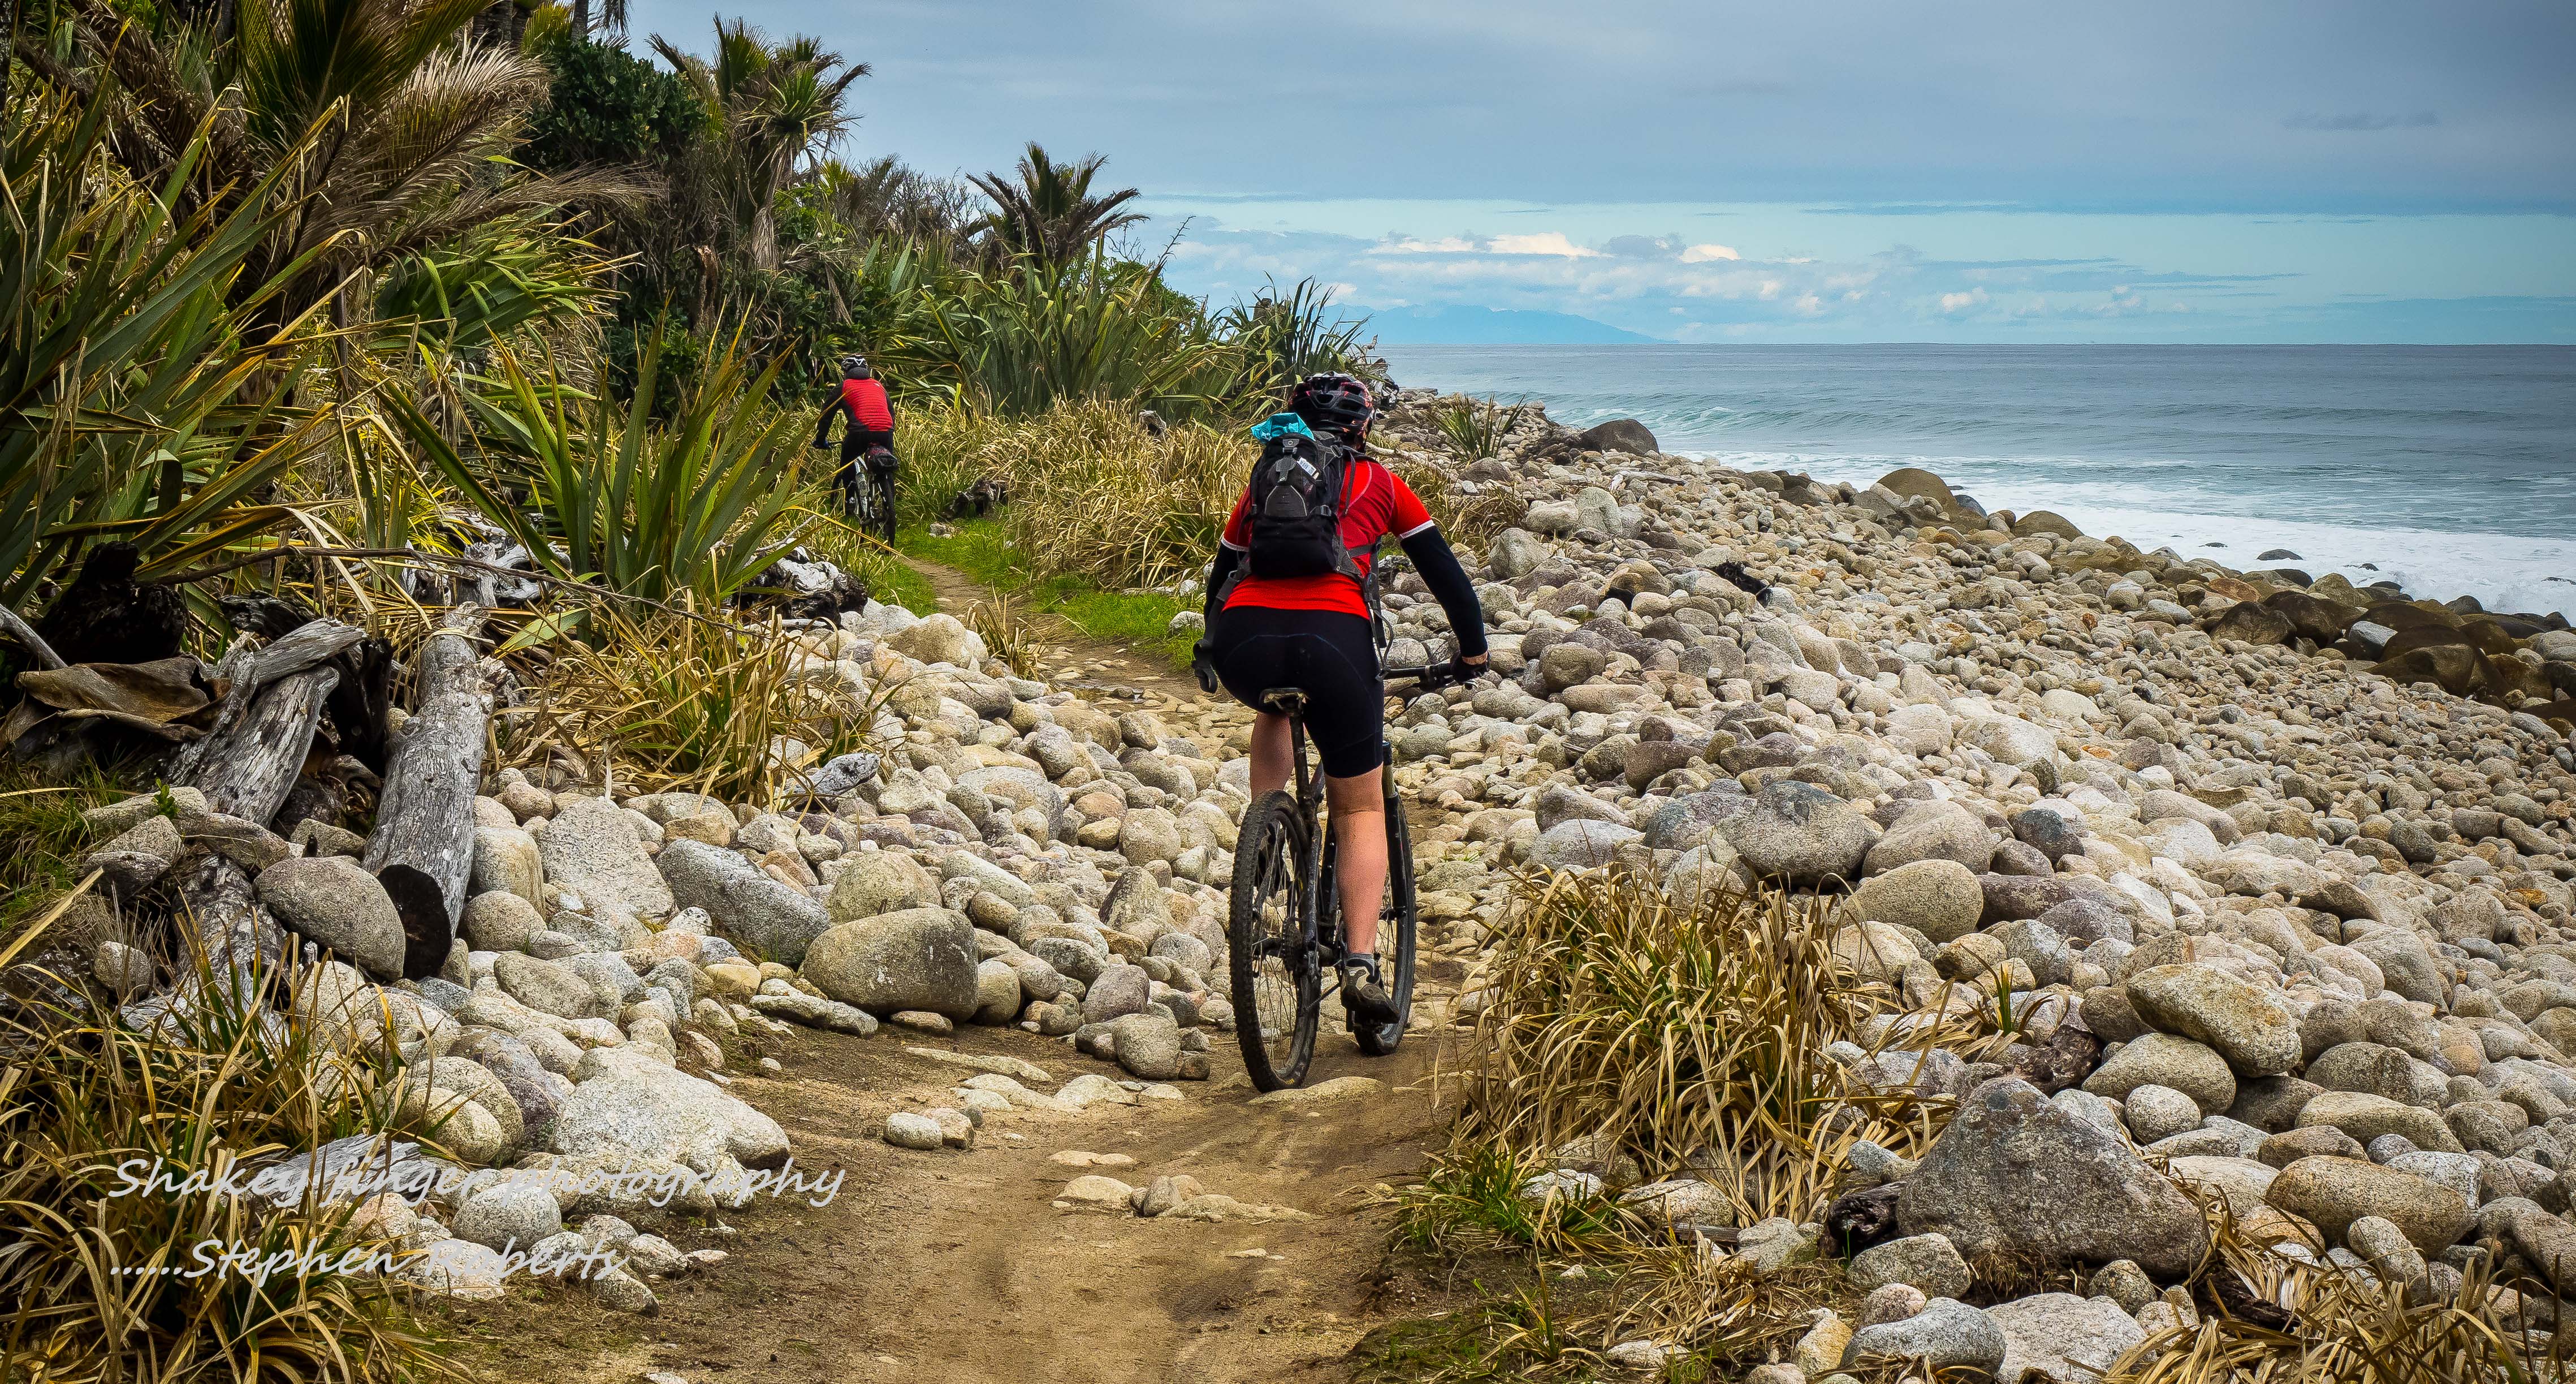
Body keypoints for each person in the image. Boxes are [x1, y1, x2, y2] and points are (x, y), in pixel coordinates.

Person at [1195, 373, 1488, 1029]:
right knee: (1359, 807)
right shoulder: (1379, 483)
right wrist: (1472, 651)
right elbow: (1445, 573)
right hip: (1334, 641)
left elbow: (1224, 569)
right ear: (1363, 427)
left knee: (1273, 706)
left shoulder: (1265, 480)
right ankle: (1359, 961)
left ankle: (1266, 828)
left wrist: (1209, 644)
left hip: (1245, 641)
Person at [812, 354, 896, 516]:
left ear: (846, 371)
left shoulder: (844, 387)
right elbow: (891, 412)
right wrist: (887, 430)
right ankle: (890, 504)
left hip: (859, 432)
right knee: (887, 465)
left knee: (848, 462)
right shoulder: (879, 386)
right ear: (866, 370)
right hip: (885, 430)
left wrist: (820, 440)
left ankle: (849, 500)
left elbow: (826, 415)